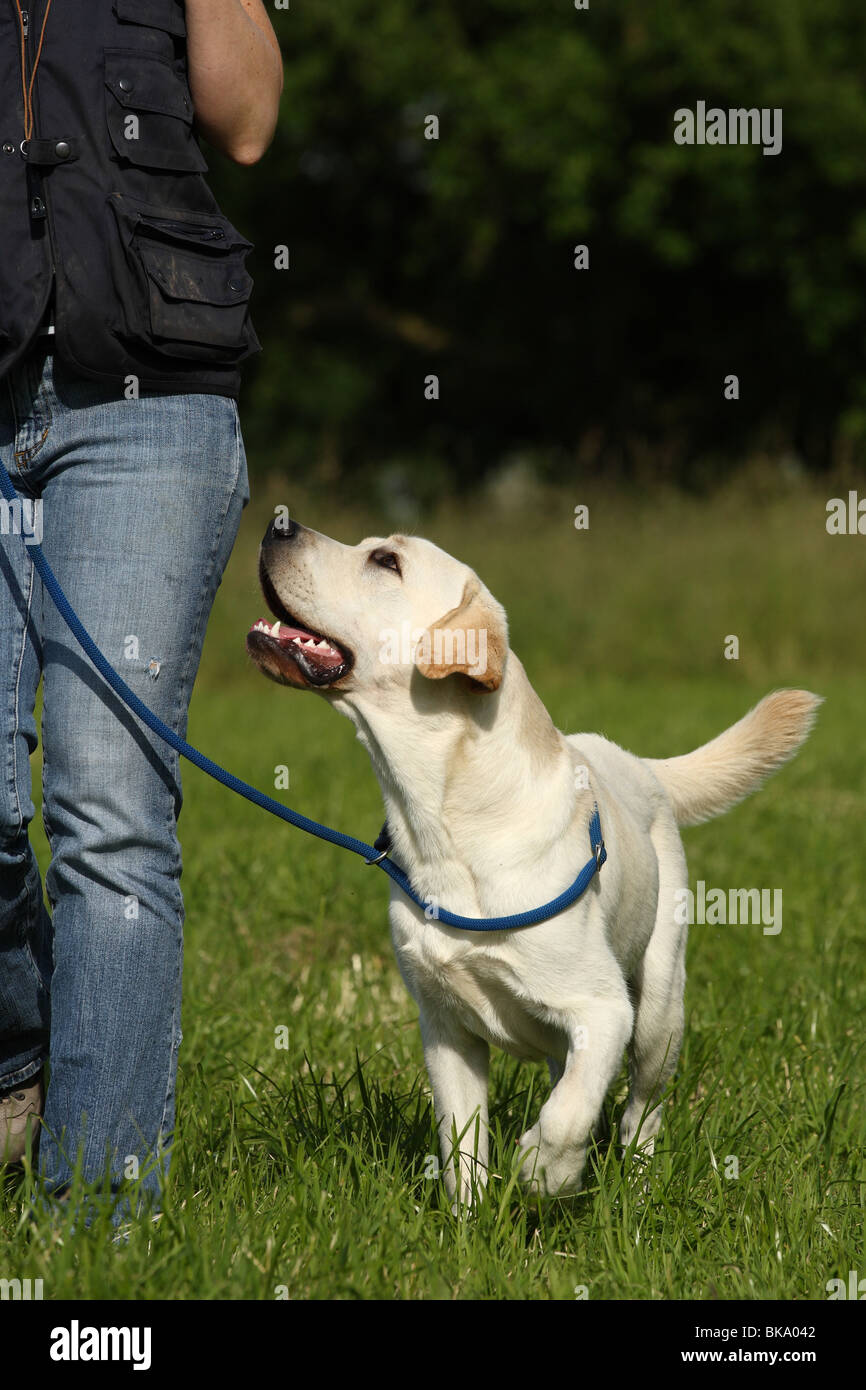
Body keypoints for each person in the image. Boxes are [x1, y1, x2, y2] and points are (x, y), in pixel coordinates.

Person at [0, 0, 282, 1220]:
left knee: (109, 807)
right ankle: (25, 1063)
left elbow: (249, 119)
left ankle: (101, 1218)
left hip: (147, 404)